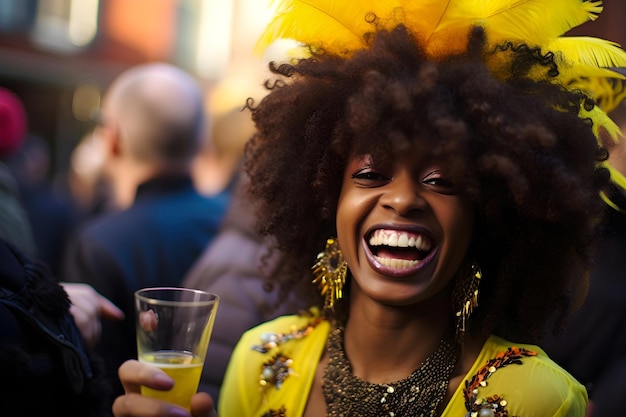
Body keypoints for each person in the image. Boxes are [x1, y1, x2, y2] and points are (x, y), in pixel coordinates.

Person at [112, 1, 626, 417]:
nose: (402, 199)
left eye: (442, 181)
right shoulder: (261, 358)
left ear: (486, 217)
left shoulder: (536, 399)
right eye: (370, 174)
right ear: (325, 198)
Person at [61, 62, 230, 400]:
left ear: (111, 139)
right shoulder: (239, 223)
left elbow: (90, 381)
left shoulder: (98, 243)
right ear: (201, 141)